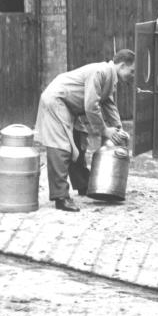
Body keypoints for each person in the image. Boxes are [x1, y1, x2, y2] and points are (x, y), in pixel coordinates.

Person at [35, 49, 135, 212]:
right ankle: (60, 197)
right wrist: (104, 130)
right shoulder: (100, 72)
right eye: (132, 71)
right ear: (122, 65)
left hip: (69, 106)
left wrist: (118, 130)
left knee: (79, 141)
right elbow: (91, 106)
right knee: (61, 147)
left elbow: (108, 104)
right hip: (57, 100)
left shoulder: (109, 76)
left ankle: (83, 185)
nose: (133, 76)